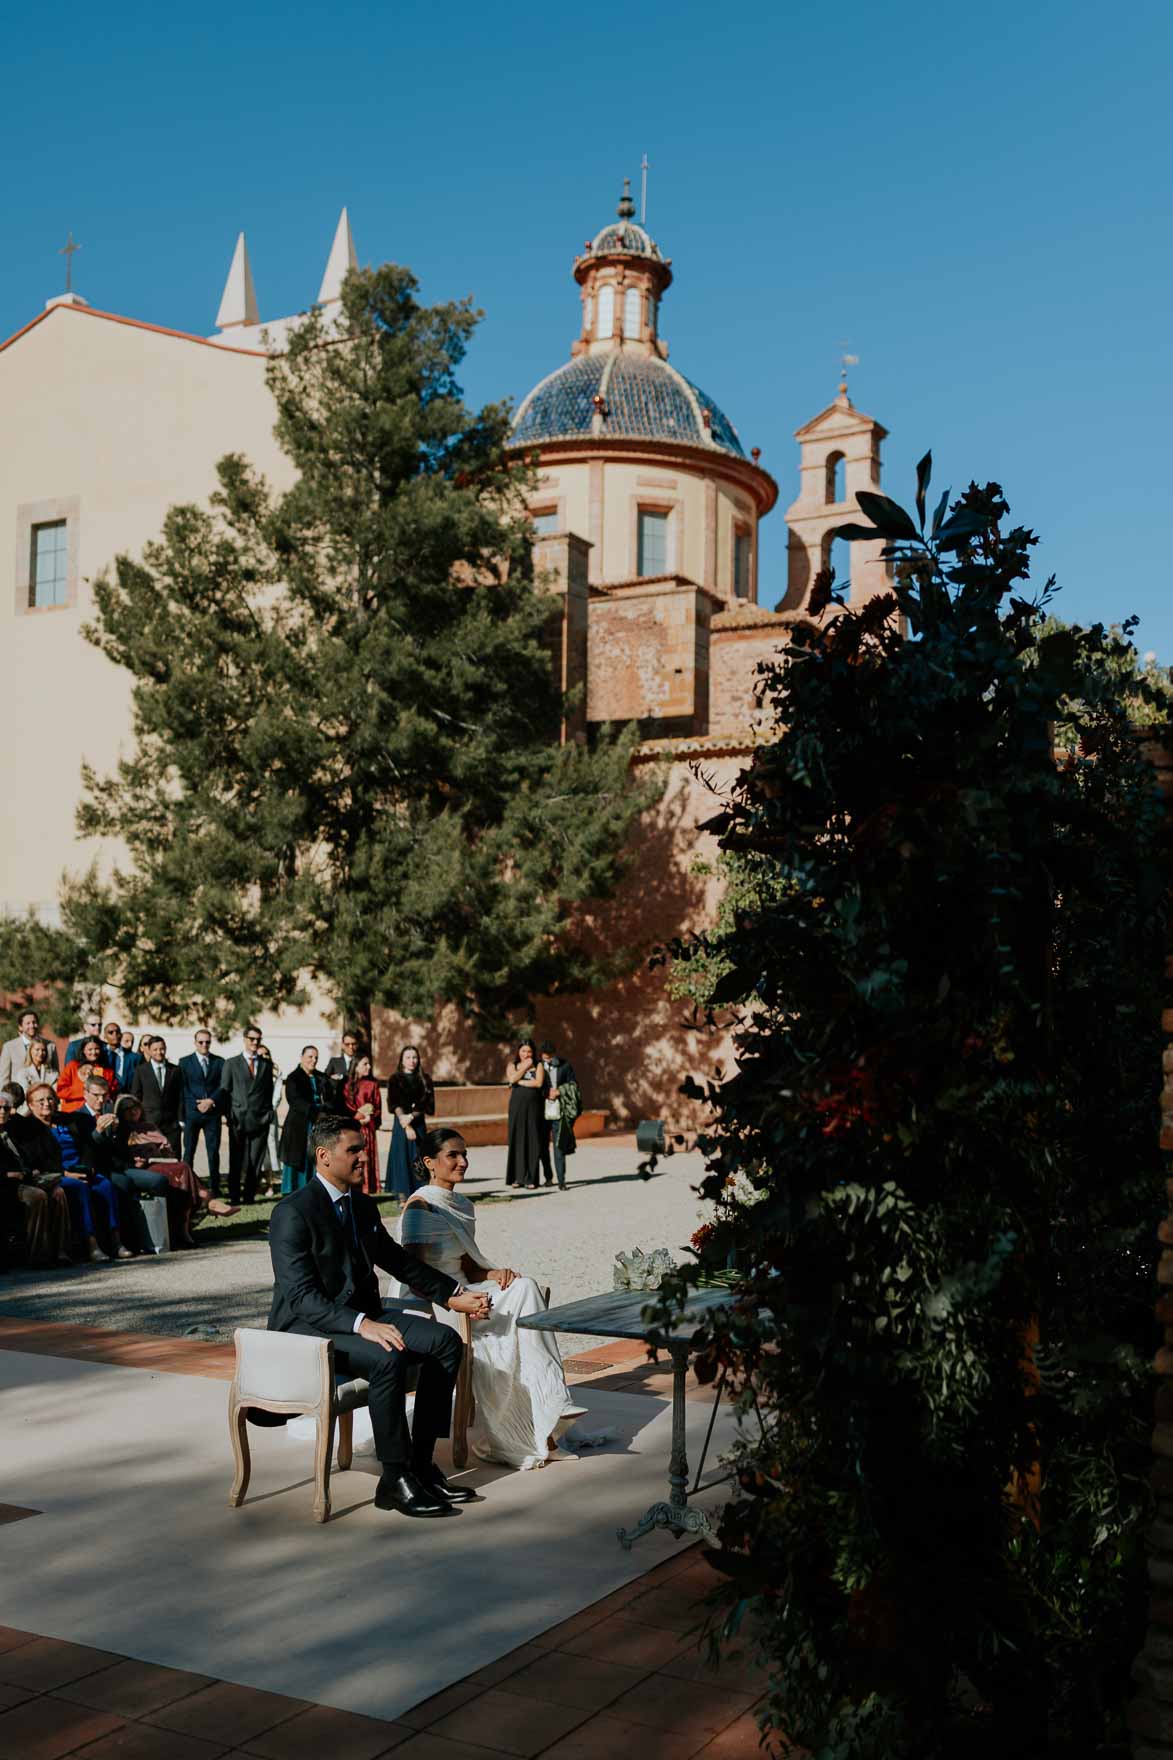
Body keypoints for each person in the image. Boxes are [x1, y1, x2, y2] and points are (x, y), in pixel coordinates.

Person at [266, 1113, 492, 1517]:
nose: (364, 1157)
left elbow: (399, 1263)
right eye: (354, 1150)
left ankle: (421, 1465)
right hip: (309, 1330)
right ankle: (394, 1479)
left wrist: (453, 1294)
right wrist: (362, 1325)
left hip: (361, 1317)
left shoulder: (362, 1206)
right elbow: (301, 1297)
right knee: (388, 1357)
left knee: (444, 1342)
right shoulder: (292, 1212)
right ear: (324, 1156)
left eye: (364, 1149)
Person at [397, 1127, 584, 1469]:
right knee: (518, 1315)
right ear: (430, 1162)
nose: (463, 1162)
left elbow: (466, 1265)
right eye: (453, 1155)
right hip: (439, 1304)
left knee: (524, 1286)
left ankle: (550, 1402)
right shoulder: (420, 1206)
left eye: (464, 1154)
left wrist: (493, 1274)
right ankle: (535, 1426)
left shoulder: (461, 1204)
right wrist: (459, 1298)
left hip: (468, 1293)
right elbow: (414, 1276)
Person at [89, 1089, 197, 1247]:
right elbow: (99, 1150)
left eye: (135, 1107)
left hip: (144, 1164)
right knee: (132, 1181)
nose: (133, 1112)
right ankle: (132, 1238)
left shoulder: (136, 1125)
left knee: (178, 1170)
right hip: (116, 1168)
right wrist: (102, 1131)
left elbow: (121, 1150)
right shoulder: (87, 1118)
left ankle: (169, 1232)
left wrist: (119, 1132)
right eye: (127, 1109)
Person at [39, 1081, 133, 1262]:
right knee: (79, 1187)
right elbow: (39, 1160)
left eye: (50, 1099)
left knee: (105, 1185)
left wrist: (88, 1167)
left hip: (80, 1167)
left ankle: (116, 1241)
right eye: (41, 1100)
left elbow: (86, 1147)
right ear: (31, 1104)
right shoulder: (32, 1128)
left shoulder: (68, 1120)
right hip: (59, 1173)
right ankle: (92, 1245)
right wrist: (65, 1174)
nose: (47, 1103)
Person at [0, 1086, 70, 1266]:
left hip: (26, 1178)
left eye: (6, 1108)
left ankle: (60, 1251)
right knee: (37, 1196)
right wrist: (8, 1174)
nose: (3, 1112)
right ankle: (38, 1255)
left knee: (58, 1192)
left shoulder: (13, 1129)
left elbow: (28, 1155)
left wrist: (32, 1170)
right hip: (7, 1183)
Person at [219, 1028, 273, 1206]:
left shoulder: (266, 1065)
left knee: (255, 1160)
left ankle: (249, 1195)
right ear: (244, 1039)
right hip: (238, 1119)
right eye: (251, 1039)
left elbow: (268, 1092)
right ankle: (234, 1196)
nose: (255, 1042)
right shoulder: (231, 1063)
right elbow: (225, 1091)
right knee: (236, 1159)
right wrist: (228, 1116)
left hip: (260, 1119)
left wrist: (268, 1114)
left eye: (258, 1039)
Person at [385, 1046, 434, 1201]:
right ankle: (402, 1196)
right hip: (401, 1125)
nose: (411, 1061)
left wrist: (411, 1117)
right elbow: (394, 1103)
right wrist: (405, 1123)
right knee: (401, 1157)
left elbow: (427, 1104)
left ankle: (420, 1193)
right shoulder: (395, 1079)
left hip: (418, 1124)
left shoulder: (425, 1079)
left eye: (414, 1057)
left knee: (418, 1157)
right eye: (408, 1057)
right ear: (402, 1060)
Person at [179, 1029, 225, 1195]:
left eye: (207, 1042)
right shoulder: (185, 1062)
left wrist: (211, 1101)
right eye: (201, 1042)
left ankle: (215, 1187)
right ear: (195, 1043)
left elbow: (223, 1085)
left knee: (213, 1152)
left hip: (212, 1113)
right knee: (189, 1151)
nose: (204, 1045)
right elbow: (183, 1087)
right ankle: (187, 1187)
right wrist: (195, 1104)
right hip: (192, 1113)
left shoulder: (219, 1062)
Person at [279, 1047, 326, 1194]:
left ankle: (313, 1189)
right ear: (302, 1057)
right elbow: (295, 1100)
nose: (313, 1060)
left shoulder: (321, 1077)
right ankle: (294, 1191)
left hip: (319, 1123)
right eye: (310, 1057)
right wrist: (315, 1113)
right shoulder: (293, 1078)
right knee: (299, 1158)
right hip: (299, 1124)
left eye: (316, 1057)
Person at [538, 1040, 581, 1190]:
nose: (547, 1059)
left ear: (554, 1054)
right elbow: (535, 1087)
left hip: (560, 1111)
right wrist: (546, 1093)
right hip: (541, 1112)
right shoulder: (538, 1065)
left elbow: (574, 1084)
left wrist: (560, 1091)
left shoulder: (565, 1065)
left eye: (549, 1056)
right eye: (544, 1056)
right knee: (542, 1147)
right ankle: (548, 1177)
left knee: (559, 1146)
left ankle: (562, 1181)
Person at [504, 1039, 547, 1188]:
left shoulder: (538, 1065)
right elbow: (512, 1078)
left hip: (534, 1107)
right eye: (523, 1051)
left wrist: (520, 1082)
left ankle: (531, 1179)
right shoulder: (512, 1065)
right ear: (518, 1052)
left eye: (529, 1051)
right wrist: (525, 1068)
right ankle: (517, 1178)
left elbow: (538, 1083)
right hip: (517, 1107)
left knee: (532, 1140)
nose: (526, 1054)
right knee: (517, 1139)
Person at [131, 1036, 184, 1153]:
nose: (159, 1052)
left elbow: (180, 1096)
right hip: (149, 1122)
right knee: (151, 1155)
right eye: (155, 1049)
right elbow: (136, 1096)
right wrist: (137, 1119)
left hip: (171, 1124)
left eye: (161, 1049)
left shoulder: (175, 1070)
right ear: (149, 1051)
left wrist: (180, 1120)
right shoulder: (141, 1070)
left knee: (174, 1155)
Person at [342, 1052, 382, 1196]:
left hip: (368, 1128)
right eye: (365, 1064)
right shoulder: (347, 1085)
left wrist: (370, 1117)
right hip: (353, 1128)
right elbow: (346, 1106)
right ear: (356, 1066)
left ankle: (368, 1186)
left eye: (369, 1064)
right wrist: (357, 1117)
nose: (369, 1067)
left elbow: (377, 1106)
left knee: (367, 1156)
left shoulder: (373, 1085)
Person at [57, 1036, 118, 1113]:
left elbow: (111, 1092)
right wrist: (87, 1091)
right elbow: (61, 1091)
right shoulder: (72, 1067)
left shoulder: (107, 1072)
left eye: (97, 1049)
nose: (94, 1052)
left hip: (97, 1113)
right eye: (90, 1049)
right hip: (72, 1112)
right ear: (83, 1051)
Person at [0, 1010, 60, 1086]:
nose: (32, 1026)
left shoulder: (50, 1046)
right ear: (20, 1027)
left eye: (34, 1022)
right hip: (19, 1092)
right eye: (28, 1023)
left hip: (44, 1090)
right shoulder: (9, 1047)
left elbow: (56, 1073)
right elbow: (3, 1078)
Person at [259, 1047, 283, 1188]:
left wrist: (269, 1109)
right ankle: (259, 1178)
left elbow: (277, 1094)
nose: (264, 1056)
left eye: (266, 1054)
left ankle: (272, 1180)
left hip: (269, 1113)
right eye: (261, 1054)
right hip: (254, 1114)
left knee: (271, 1144)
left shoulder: (276, 1071)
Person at [324, 1032, 362, 1103]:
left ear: (357, 1045)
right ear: (342, 1045)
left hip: (357, 1102)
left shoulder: (362, 1063)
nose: (351, 1047)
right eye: (347, 1044)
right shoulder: (334, 1062)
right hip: (338, 1102)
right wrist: (334, 1079)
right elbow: (325, 1079)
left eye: (353, 1044)